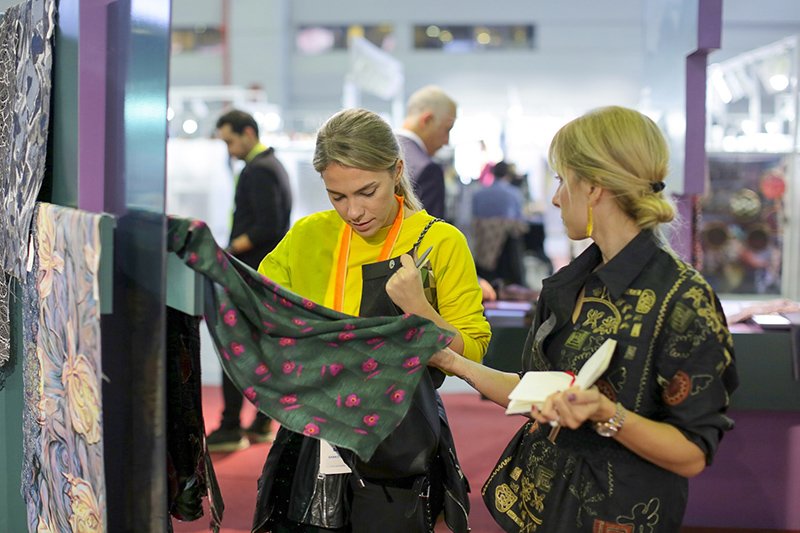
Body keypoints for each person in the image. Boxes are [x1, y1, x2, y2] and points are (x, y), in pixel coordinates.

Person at [426, 106, 738, 531]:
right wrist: (452, 361)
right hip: (542, 509)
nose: (555, 197)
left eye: (561, 180)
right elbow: (535, 390)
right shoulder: (571, 284)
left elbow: (692, 452)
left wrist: (608, 415)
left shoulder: (683, 298)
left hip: (617, 516)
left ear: (592, 187)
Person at [251, 108, 491, 533]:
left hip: (398, 444)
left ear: (396, 171)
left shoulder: (439, 242)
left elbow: (472, 353)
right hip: (312, 436)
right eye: (337, 196)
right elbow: (261, 317)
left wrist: (421, 312)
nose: (354, 211)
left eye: (367, 192)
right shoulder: (307, 236)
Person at [207, 109, 293, 452]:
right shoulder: (271, 166)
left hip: (250, 273)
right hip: (261, 274)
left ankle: (231, 426)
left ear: (248, 133)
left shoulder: (258, 170)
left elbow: (266, 227)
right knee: (260, 349)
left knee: (234, 346)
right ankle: (260, 421)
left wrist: (227, 252)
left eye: (230, 141)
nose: (228, 150)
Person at [396, 85, 457, 220]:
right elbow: (430, 231)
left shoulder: (379, 155)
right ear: (427, 120)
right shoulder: (428, 170)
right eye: (447, 129)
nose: (447, 141)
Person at [471, 160, 528, 287]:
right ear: (508, 174)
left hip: (483, 255)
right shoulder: (514, 193)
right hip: (507, 255)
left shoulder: (478, 194)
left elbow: (474, 221)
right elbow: (520, 222)